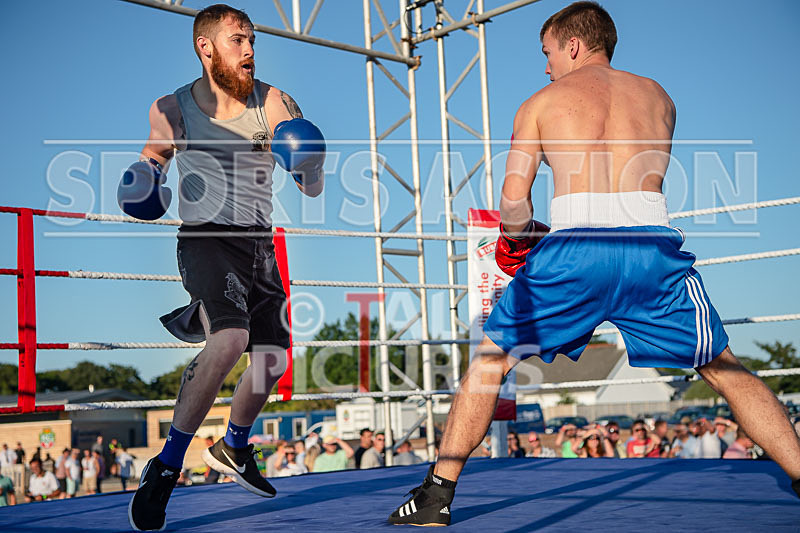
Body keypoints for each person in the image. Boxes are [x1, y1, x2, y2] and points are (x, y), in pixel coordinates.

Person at [388, 3, 800, 525]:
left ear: (573, 45)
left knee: (491, 362)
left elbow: (515, 202)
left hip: (575, 248)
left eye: (548, 53)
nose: (546, 66)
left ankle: (434, 498)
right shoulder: (660, 98)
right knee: (723, 369)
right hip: (651, 250)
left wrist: (514, 243)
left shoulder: (541, 102)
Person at [126, 4, 325, 531]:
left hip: (259, 243)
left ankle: (234, 446)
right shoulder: (171, 107)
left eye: (253, 40)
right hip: (205, 238)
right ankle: (167, 465)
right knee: (230, 340)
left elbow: (311, 183)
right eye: (238, 40)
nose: (250, 50)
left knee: (273, 361)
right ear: (205, 47)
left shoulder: (274, 100)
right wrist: (144, 175)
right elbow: (153, 156)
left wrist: (310, 159)